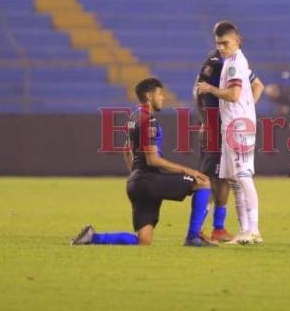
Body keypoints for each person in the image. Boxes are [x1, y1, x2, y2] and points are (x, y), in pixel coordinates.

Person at [71, 77, 216, 247]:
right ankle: (193, 236)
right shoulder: (148, 120)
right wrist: (188, 171)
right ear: (149, 96)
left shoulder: (134, 117)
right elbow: (152, 160)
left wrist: (135, 175)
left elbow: (127, 150)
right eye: (159, 94)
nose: (162, 97)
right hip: (149, 180)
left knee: (143, 241)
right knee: (203, 182)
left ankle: (93, 237)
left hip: (137, 183)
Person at [194, 27, 263, 242]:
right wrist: (248, 107)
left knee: (242, 176)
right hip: (232, 124)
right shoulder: (232, 61)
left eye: (225, 43)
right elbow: (257, 86)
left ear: (237, 41)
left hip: (237, 126)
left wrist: (210, 89)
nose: (221, 47)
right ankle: (244, 230)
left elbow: (233, 95)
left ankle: (253, 230)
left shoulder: (233, 64)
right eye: (218, 43)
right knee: (234, 180)